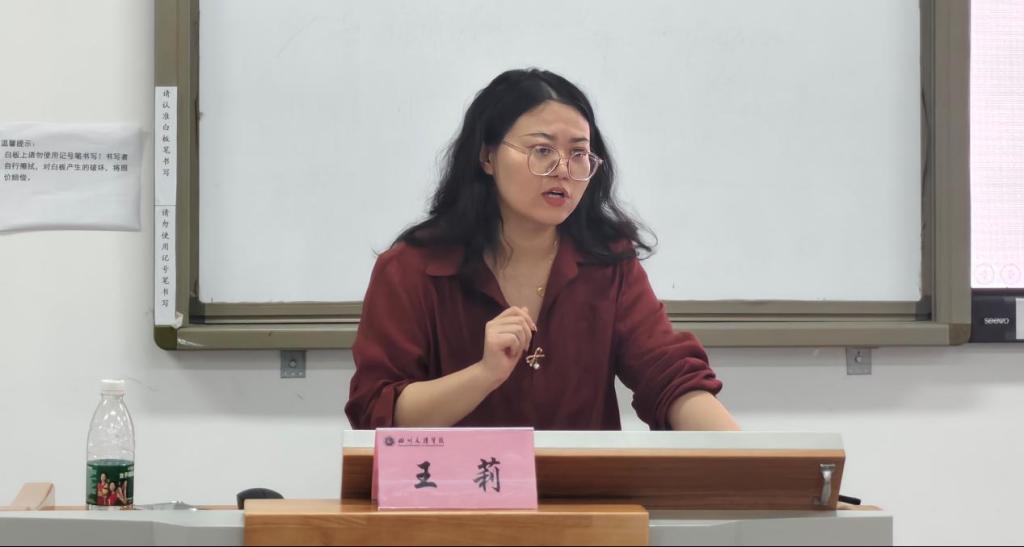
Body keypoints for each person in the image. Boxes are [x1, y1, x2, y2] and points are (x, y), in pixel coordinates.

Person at [345, 68, 739, 432]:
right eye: (543, 150)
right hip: (458, 487)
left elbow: (667, 374)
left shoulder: (607, 262)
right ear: (487, 156)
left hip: (581, 486)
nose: (563, 169)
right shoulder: (412, 269)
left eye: (579, 154)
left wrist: (745, 457)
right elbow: (377, 413)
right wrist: (483, 375)